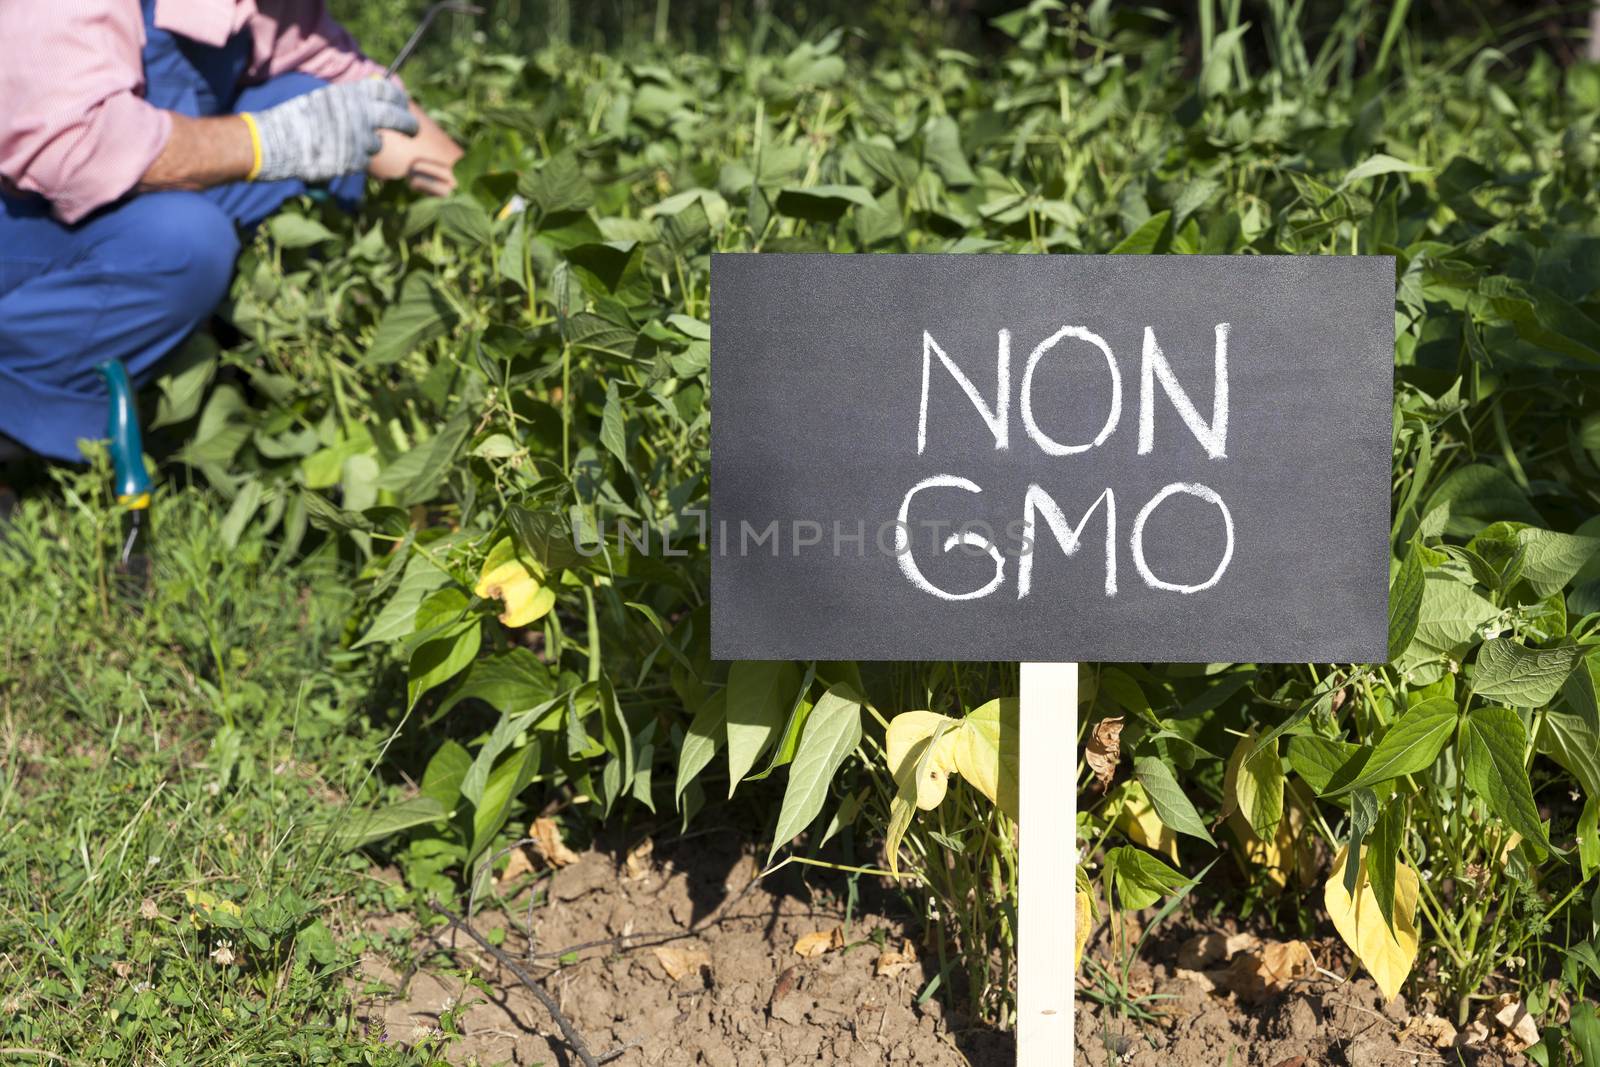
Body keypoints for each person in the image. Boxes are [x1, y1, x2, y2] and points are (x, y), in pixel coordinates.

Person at [0, 1, 464, 464]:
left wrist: (499, 213)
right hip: (25, 216)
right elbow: (75, 148)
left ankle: (275, 368)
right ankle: (20, 415)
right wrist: (266, 143)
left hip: (112, 203)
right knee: (186, 242)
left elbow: (359, 91)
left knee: (316, 100)